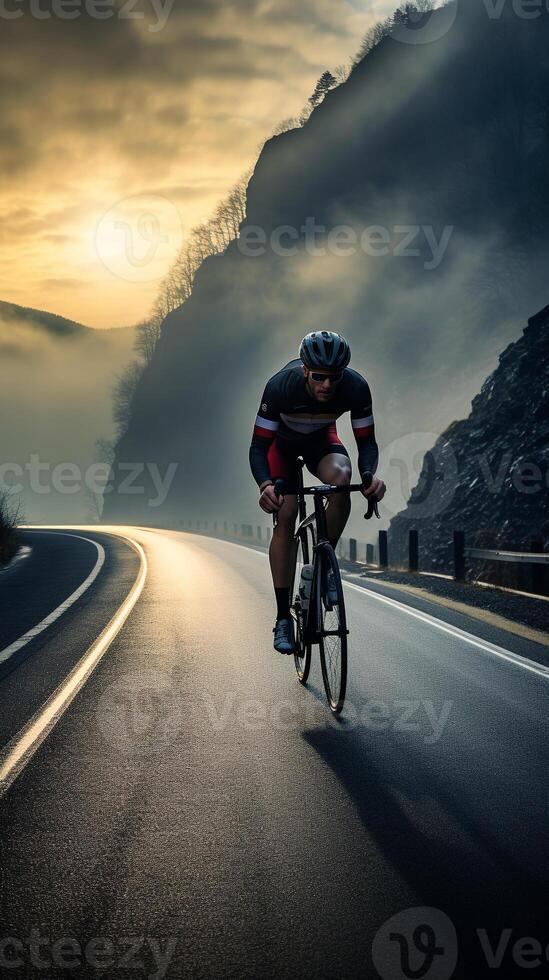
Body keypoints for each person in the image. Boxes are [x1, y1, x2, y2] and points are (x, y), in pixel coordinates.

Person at [249, 330, 386, 654]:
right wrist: (266, 485)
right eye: (320, 377)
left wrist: (369, 476)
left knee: (342, 478)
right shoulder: (280, 386)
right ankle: (283, 618)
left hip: (322, 440)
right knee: (286, 514)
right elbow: (258, 446)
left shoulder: (355, 387)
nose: (327, 385)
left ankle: (325, 564)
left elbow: (366, 441)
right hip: (280, 446)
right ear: (305, 371)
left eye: (334, 378)